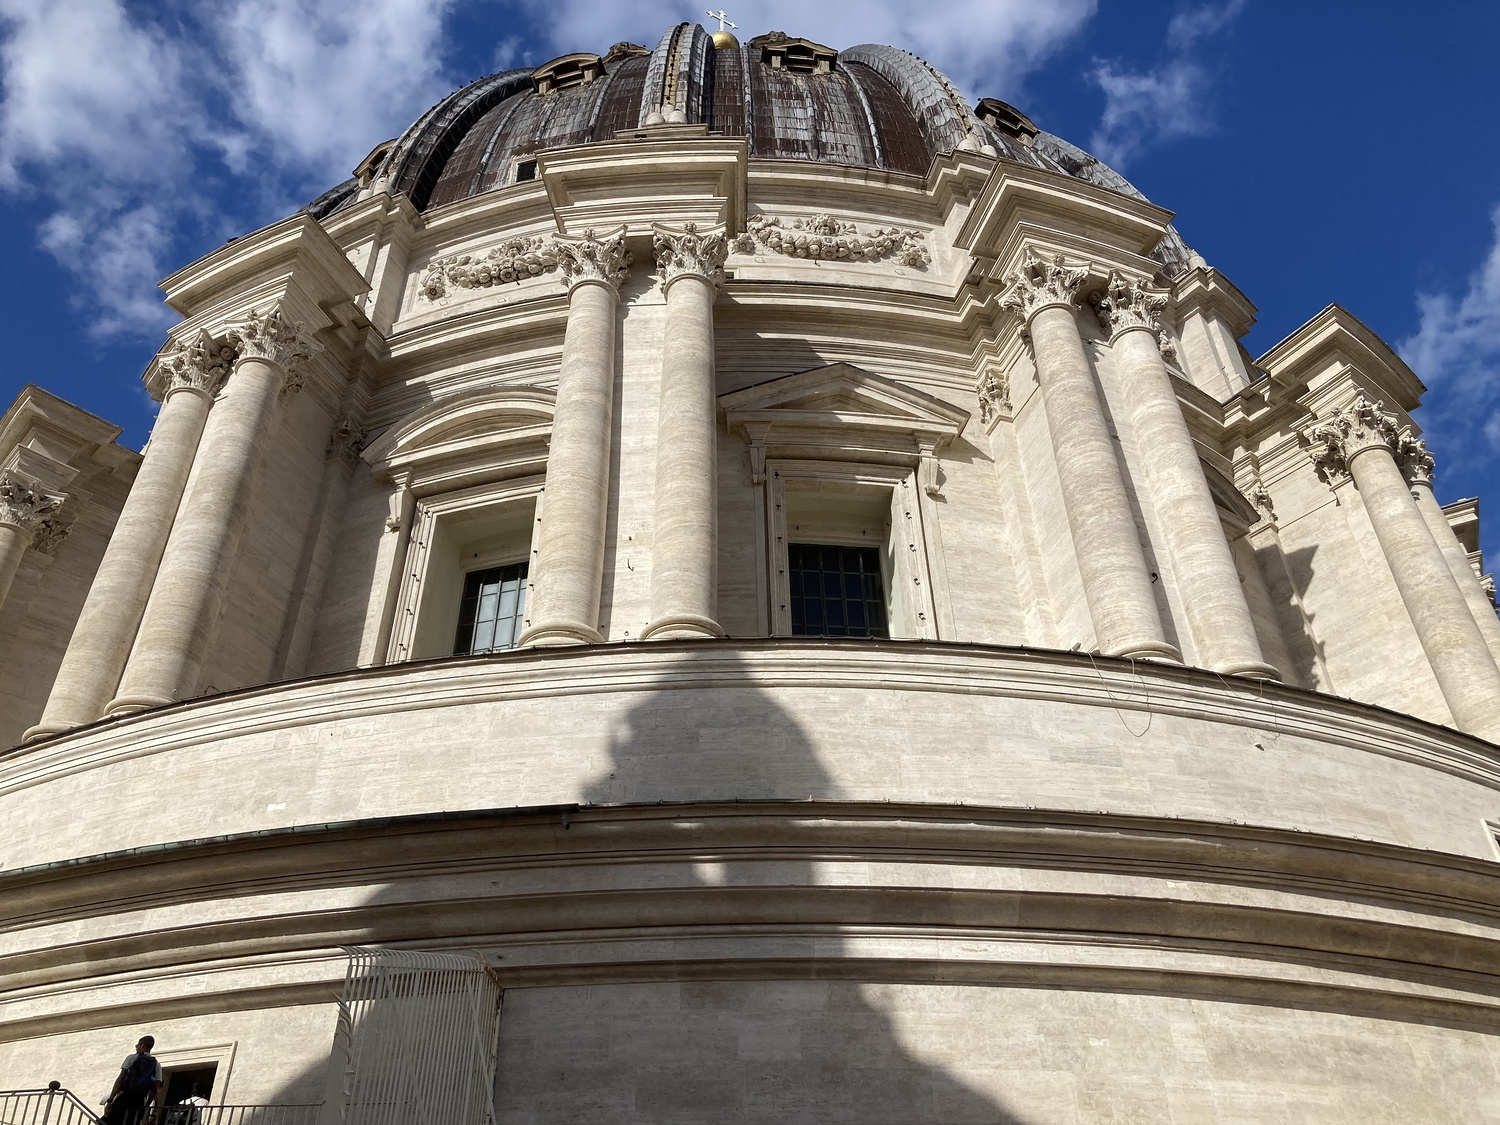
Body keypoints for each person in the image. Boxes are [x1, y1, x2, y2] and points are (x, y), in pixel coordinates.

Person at [100, 1036, 162, 1125]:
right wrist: (147, 1105)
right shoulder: (156, 1065)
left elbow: (120, 1080)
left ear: (142, 1046)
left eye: (137, 1045)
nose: (136, 1047)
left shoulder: (131, 1058)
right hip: (139, 1101)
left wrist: (110, 1100)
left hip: (125, 1098)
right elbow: (155, 1089)